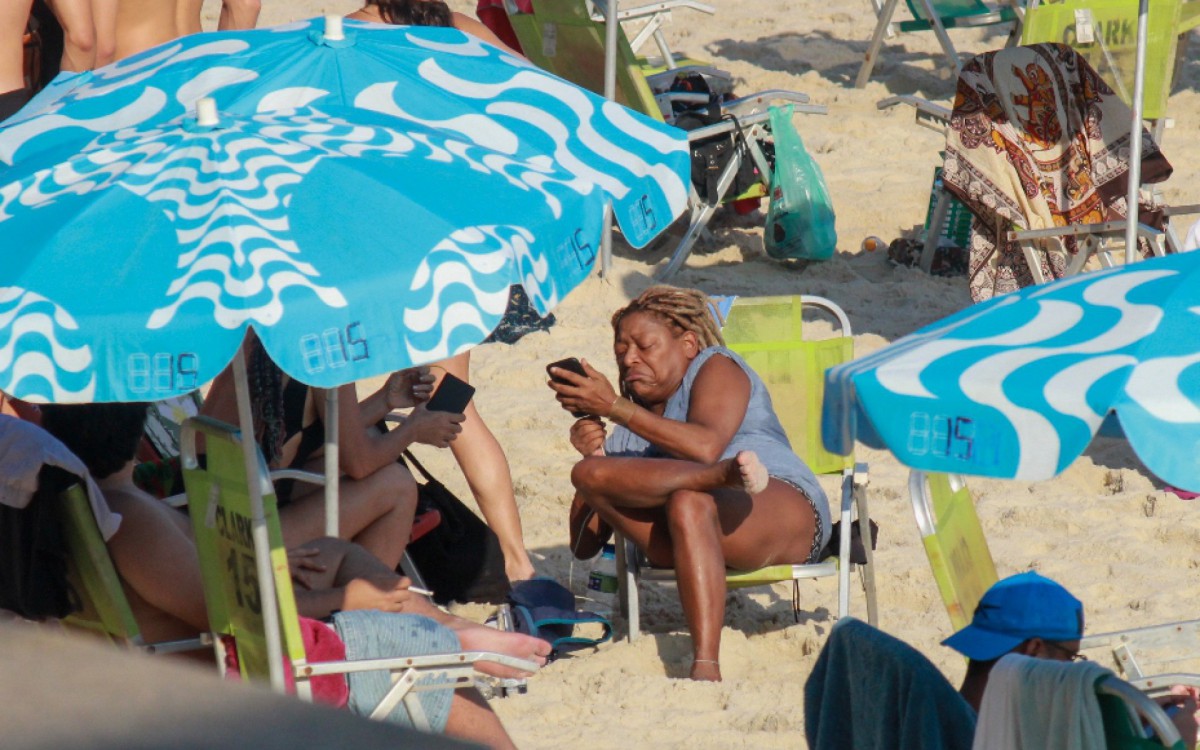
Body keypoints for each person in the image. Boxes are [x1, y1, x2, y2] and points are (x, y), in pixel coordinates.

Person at [37, 401, 548, 750]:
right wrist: (344, 600)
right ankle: (445, 639)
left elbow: (202, 593)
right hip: (242, 675)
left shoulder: (88, 500)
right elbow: (231, 617)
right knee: (412, 645)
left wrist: (275, 568)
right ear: (135, 424)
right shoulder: (132, 519)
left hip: (193, 656)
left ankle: (452, 629)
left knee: (328, 549)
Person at [346, 0, 542, 583]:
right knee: (450, 395)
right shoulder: (455, 26)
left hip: (399, 238)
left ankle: (515, 557)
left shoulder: (352, 34)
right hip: (465, 228)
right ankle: (515, 557)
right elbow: (534, 93)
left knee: (445, 397)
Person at [547, 285, 831, 681]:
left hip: (775, 505)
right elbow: (584, 544)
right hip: (688, 531)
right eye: (621, 352)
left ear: (688, 343)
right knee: (599, 477)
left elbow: (706, 444)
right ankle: (720, 477)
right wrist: (593, 456)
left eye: (644, 346)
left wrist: (615, 407)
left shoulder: (716, 366)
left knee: (686, 498)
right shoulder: (629, 429)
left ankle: (705, 664)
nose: (630, 359)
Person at [201, 337, 464, 571]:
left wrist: (386, 399)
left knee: (366, 447)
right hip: (241, 536)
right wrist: (413, 429)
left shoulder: (262, 338)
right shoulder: (327, 353)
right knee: (396, 485)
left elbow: (307, 440)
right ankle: (362, 610)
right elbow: (359, 463)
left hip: (201, 513)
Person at [944, 571, 1198, 741]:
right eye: (1070, 656)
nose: (1069, 669)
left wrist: (1134, 716)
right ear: (1034, 650)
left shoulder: (945, 719)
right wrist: (1180, 742)